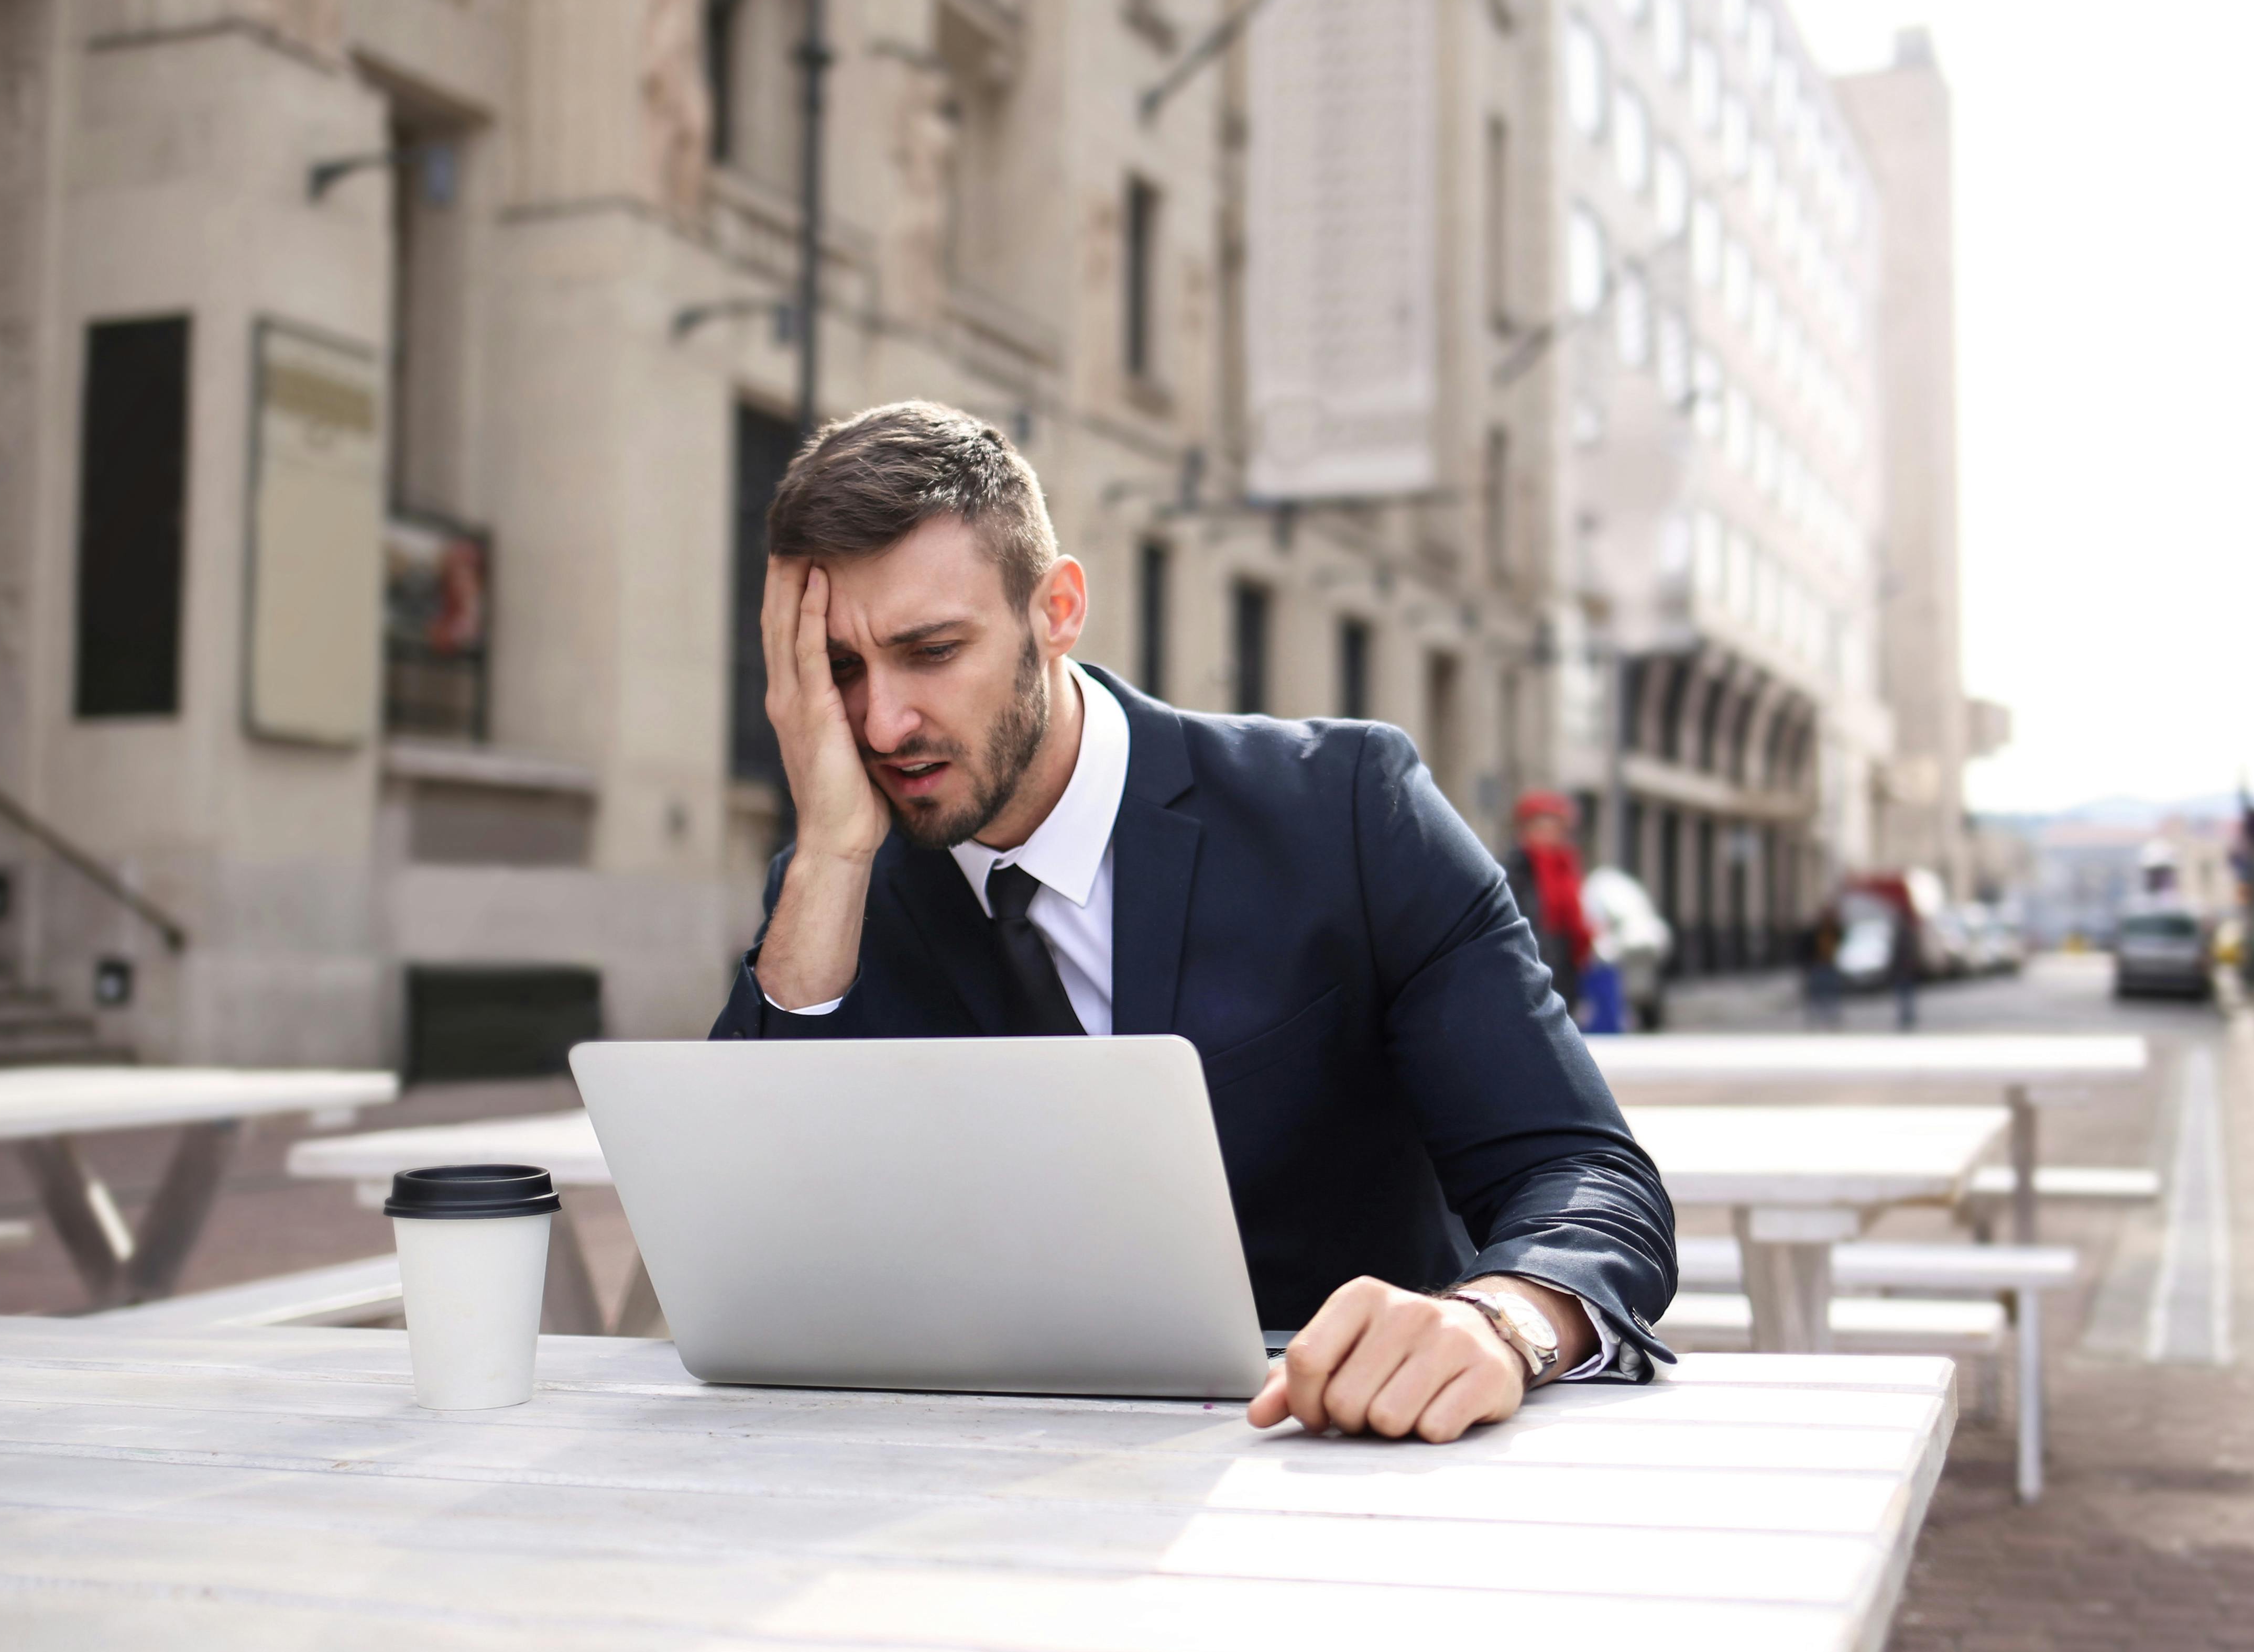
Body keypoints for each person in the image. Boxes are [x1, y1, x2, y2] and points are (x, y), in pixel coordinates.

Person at [713, 403, 1676, 1445]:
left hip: (1335, 1468)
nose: (883, 724)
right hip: (960, 1493)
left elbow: (1587, 1177)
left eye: (931, 651)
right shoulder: (837, 888)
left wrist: (1499, 1321)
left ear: (1058, 610)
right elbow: (739, 1250)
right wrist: (828, 857)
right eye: (840, 672)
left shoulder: (1348, 812)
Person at [1503, 791, 1597, 1021]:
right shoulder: (1516, 870)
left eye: (1556, 828)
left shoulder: (1567, 866)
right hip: (1530, 967)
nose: (1549, 835)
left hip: (1565, 969)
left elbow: (1577, 920)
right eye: (1541, 827)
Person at [1801, 903, 1845, 1030]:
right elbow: (1805, 948)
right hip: (1817, 965)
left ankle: (1831, 1016)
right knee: (1816, 992)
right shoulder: (1814, 932)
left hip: (1830, 964)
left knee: (1832, 991)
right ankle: (1816, 1015)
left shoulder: (1835, 930)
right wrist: (1806, 965)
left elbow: (1841, 939)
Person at [1888, 898, 1920, 1030]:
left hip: (1904, 968)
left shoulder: (1905, 932)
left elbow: (1906, 951)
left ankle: (1907, 1016)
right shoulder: (1905, 931)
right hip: (1904, 968)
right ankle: (1907, 1016)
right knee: (1905, 994)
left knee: (1905, 994)